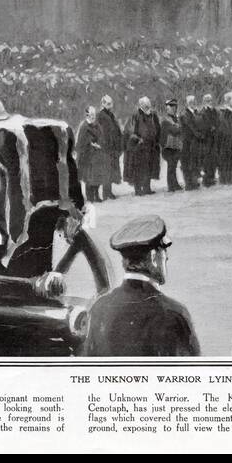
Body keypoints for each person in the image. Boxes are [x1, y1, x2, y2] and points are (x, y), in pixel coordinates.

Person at [83, 216, 200, 356]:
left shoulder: (99, 308)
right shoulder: (173, 314)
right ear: (153, 257)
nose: (166, 258)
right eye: (164, 254)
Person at [123, 96, 161, 197]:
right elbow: (130, 131)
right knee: (138, 169)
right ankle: (138, 189)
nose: (148, 107)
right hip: (139, 147)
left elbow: (157, 128)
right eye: (146, 106)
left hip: (150, 146)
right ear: (141, 106)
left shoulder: (152, 115)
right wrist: (138, 139)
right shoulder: (135, 115)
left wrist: (156, 140)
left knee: (148, 167)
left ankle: (147, 188)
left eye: (149, 105)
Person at [76, 106, 107, 204]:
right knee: (89, 178)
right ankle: (90, 197)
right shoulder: (84, 126)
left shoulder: (97, 125)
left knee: (97, 177)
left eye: (94, 114)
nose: (93, 117)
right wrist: (90, 143)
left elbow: (102, 137)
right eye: (91, 115)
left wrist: (100, 144)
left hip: (98, 156)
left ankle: (96, 195)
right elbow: (81, 142)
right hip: (88, 157)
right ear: (87, 115)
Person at [96, 94, 123, 201]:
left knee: (111, 170)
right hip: (105, 147)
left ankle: (109, 191)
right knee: (106, 170)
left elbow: (115, 130)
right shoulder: (100, 115)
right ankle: (105, 193)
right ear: (102, 104)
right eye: (107, 104)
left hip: (113, 147)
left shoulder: (111, 115)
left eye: (110, 104)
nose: (109, 106)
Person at [178, 94, 204, 189]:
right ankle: (189, 184)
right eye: (191, 102)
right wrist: (198, 134)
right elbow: (190, 126)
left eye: (194, 102)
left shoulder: (196, 112)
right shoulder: (184, 113)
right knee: (187, 163)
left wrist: (201, 133)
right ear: (188, 103)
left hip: (195, 142)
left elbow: (200, 123)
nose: (193, 103)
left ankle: (194, 181)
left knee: (194, 162)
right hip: (187, 142)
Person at [159, 99, 183, 191]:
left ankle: (175, 184)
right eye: (170, 108)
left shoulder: (175, 118)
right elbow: (175, 131)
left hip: (175, 146)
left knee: (173, 166)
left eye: (174, 107)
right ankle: (171, 186)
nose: (173, 109)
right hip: (168, 147)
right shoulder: (166, 120)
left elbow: (179, 129)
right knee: (171, 167)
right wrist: (178, 127)